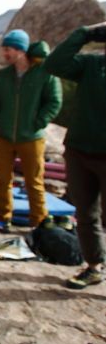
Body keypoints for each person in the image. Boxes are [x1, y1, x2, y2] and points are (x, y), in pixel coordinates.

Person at [0, 29, 62, 233]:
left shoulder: (44, 73)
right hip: (5, 137)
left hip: (31, 138)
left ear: (20, 49)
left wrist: (37, 122)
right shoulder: (3, 76)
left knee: (34, 181)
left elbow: (54, 101)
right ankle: (2, 217)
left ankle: (38, 221)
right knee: (2, 179)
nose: (4, 53)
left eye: (8, 49)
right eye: (4, 49)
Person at [44, 21, 106, 289]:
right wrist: (85, 33)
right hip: (79, 151)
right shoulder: (92, 65)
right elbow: (54, 64)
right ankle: (94, 266)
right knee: (86, 213)